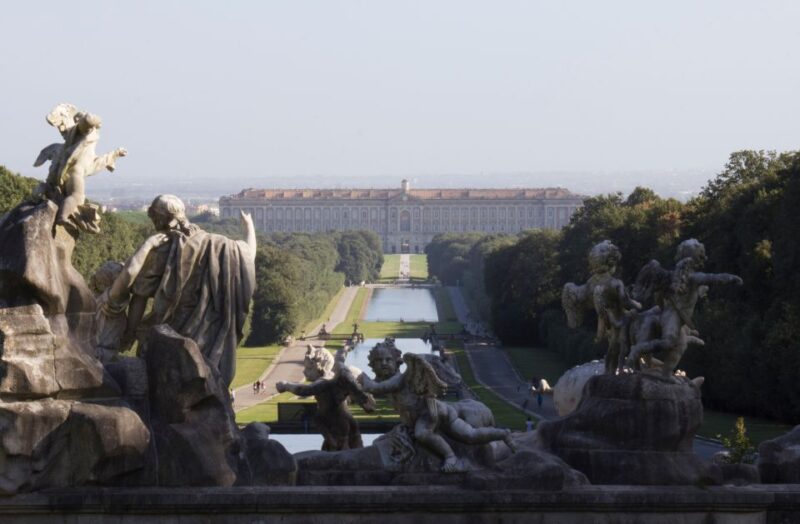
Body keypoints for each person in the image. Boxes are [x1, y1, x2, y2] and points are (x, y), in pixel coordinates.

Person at [123, 194, 256, 387]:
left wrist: (129, 332)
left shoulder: (161, 250)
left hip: (168, 336)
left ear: (159, 219)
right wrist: (249, 227)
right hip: (210, 336)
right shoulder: (219, 245)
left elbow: (139, 297)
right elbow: (248, 256)